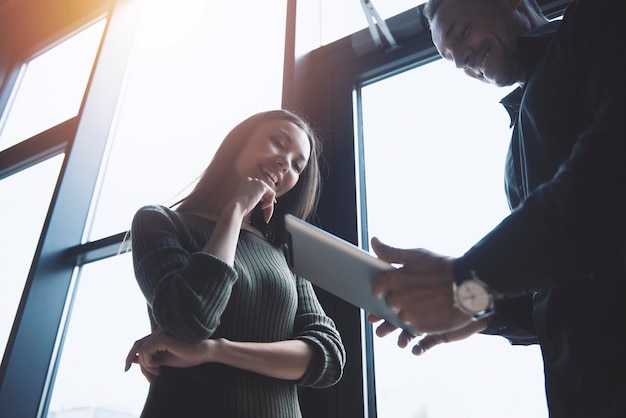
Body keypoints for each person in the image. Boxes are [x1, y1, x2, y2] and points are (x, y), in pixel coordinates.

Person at [368, 0, 625, 417]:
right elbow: (549, 294)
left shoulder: (595, 22)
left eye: (461, 32)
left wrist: (463, 278)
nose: (459, 61)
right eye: (448, 57)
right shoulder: (514, 156)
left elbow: (608, 184)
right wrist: (473, 306)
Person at [124, 109, 346, 418]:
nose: (286, 163)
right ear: (238, 144)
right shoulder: (159, 222)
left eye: (298, 164)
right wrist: (236, 209)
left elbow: (328, 358)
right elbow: (190, 320)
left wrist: (214, 351)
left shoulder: (283, 254)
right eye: (278, 143)